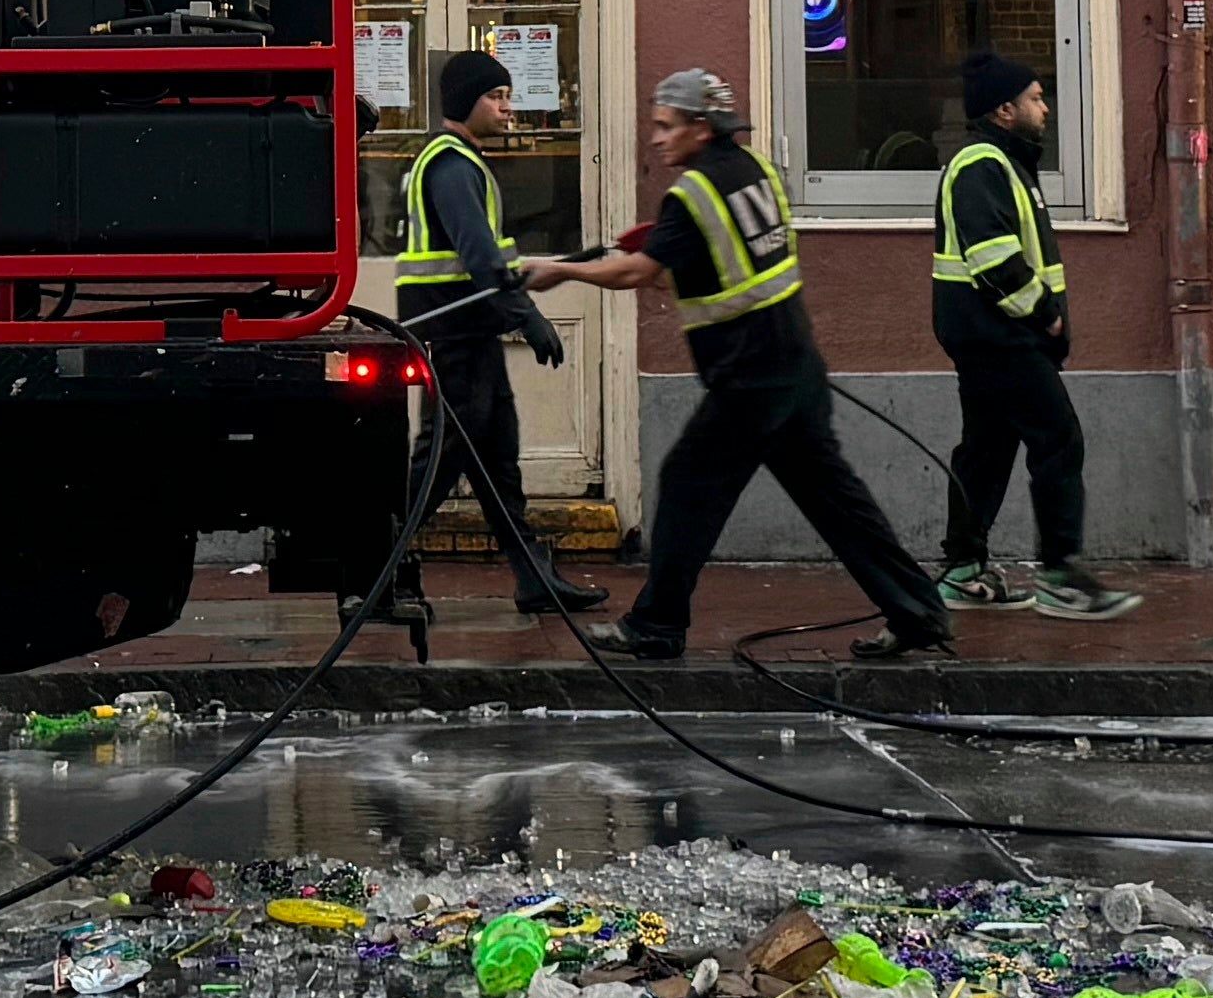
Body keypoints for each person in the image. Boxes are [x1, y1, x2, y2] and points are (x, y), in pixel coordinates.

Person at [614, 66, 953, 664]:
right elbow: (732, 264)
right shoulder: (758, 172)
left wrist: (555, 272)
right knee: (838, 501)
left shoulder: (692, 195)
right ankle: (917, 613)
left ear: (700, 127)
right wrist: (673, 261)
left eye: (666, 127)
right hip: (794, 364)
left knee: (689, 487)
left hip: (748, 380)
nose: (656, 138)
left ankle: (657, 626)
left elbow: (638, 273)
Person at [388, 49, 617, 613]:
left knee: (497, 464)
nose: (509, 108)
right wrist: (529, 318)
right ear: (467, 101)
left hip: (470, 335)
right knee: (438, 467)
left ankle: (534, 579)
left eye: (509, 95)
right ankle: (373, 575)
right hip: (454, 339)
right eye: (497, 97)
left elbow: (483, 260)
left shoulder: (461, 162)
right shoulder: (450, 165)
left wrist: (517, 295)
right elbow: (478, 255)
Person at [931, 50, 1125, 617]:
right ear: (1003, 109)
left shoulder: (1007, 164)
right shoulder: (981, 165)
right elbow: (994, 259)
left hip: (991, 337)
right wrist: (1046, 314)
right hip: (1001, 337)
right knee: (1058, 438)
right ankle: (1061, 574)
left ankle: (964, 571)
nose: (1045, 107)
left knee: (987, 452)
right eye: (1035, 98)